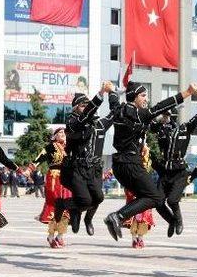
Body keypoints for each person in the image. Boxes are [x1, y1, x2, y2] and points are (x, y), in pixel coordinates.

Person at [103, 81, 197, 241]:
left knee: (151, 197)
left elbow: (113, 100)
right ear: (134, 97)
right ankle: (117, 216)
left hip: (119, 164)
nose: (145, 99)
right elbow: (162, 106)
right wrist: (188, 92)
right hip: (131, 163)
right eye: (142, 95)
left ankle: (172, 221)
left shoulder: (117, 110)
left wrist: (111, 90)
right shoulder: (138, 113)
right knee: (155, 198)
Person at [56, 81, 118, 235]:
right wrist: (101, 92)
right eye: (83, 105)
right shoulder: (72, 123)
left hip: (95, 168)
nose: (86, 107)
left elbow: (115, 113)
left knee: (98, 198)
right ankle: (63, 204)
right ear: (75, 107)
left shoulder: (99, 125)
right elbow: (85, 117)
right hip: (78, 168)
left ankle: (87, 219)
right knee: (85, 200)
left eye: (87, 104)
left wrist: (112, 93)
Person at [149, 94, 197, 235]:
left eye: (168, 115)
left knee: (172, 200)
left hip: (179, 172)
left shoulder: (184, 129)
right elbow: (149, 124)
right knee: (157, 202)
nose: (166, 118)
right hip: (165, 171)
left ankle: (179, 220)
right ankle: (171, 220)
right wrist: (160, 119)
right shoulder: (160, 129)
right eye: (165, 115)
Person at [35, 128, 72, 248]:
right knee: (55, 204)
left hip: (67, 178)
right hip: (54, 177)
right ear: (54, 136)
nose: (63, 135)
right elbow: (39, 158)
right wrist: (29, 169)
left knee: (68, 205)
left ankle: (60, 235)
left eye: (64, 133)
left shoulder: (69, 147)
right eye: (60, 133)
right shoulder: (50, 147)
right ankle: (51, 236)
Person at [122, 145, 155, 249]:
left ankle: (140, 238)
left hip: (145, 190)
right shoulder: (129, 159)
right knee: (134, 215)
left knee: (144, 216)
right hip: (133, 189)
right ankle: (134, 239)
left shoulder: (148, 160)